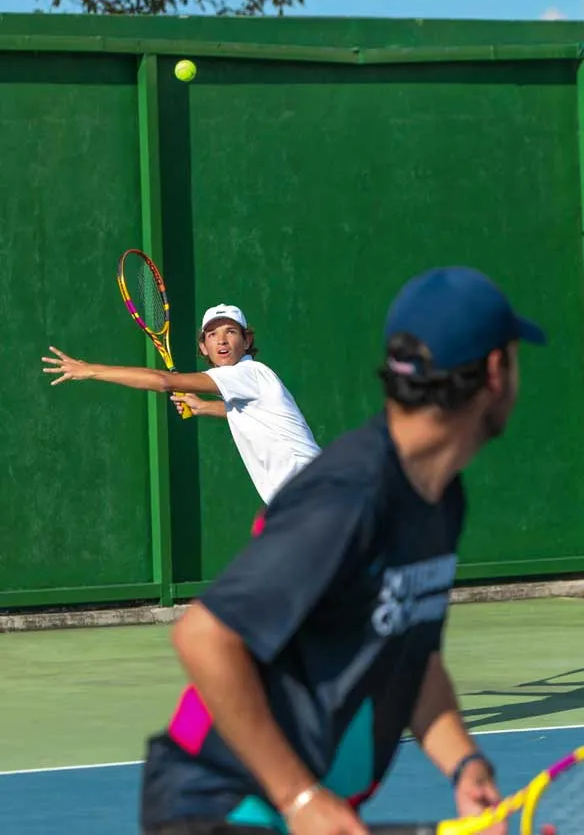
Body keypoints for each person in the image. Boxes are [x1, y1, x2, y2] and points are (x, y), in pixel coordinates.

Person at [133, 266, 546, 835]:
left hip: (305, 800)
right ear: (496, 372)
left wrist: (464, 765)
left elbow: (414, 657)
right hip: (221, 806)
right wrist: (299, 798)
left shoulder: (440, 498)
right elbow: (203, 637)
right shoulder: (344, 496)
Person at [42, 303, 320, 505]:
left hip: (312, 492)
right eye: (212, 334)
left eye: (231, 332)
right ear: (203, 347)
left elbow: (164, 382)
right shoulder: (249, 385)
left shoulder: (249, 373)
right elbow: (254, 415)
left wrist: (91, 370)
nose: (222, 340)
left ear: (246, 341)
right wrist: (204, 407)